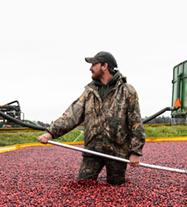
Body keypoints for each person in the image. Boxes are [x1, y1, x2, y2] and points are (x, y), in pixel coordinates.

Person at [38, 51, 145, 185]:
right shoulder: (89, 91)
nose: (90, 68)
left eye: (94, 64)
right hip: (92, 151)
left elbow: (135, 122)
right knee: (83, 185)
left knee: (116, 191)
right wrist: (51, 133)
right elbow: (72, 114)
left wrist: (136, 151)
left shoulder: (127, 91)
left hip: (117, 153)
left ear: (105, 66)